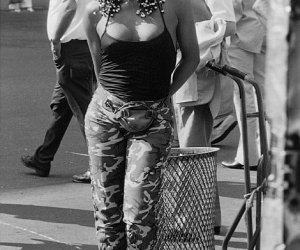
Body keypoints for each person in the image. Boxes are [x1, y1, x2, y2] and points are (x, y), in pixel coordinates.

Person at [82, 0, 199, 247]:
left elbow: (191, 57)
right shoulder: (94, 10)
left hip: (154, 119)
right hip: (105, 118)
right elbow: (99, 69)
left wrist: (167, 95)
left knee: (140, 214)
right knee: (107, 211)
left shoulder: (176, 5)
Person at [173, 0, 236, 234]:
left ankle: (193, 221)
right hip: (191, 69)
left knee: (193, 152)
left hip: (196, 72)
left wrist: (193, 34)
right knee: (195, 151)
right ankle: (206, 218)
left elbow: (228, 25)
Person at [21, 0, 96, 183]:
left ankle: (99, 166)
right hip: (82, 46)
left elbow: (69, 7)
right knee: (61, 107)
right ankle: (43, 158)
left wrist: (55, 39)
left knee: (84, 112)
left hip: (70, 47)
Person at [221, 0, 267, 170]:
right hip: (264, 30)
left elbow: (233, 7)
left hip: (241, 33)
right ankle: (264, 151)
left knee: (243, 94)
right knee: (263, 93)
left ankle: (249, 156)